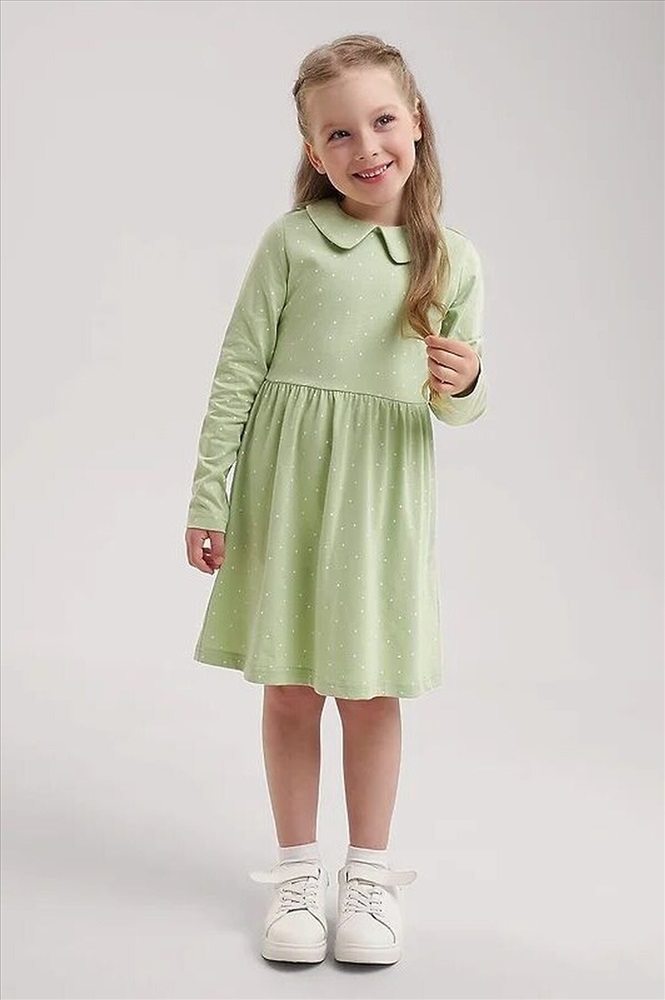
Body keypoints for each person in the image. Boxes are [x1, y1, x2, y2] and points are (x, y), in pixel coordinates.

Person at [184, 33, 487, 967]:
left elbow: (454, 407)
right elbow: (238, 369)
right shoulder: (293, 243)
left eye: (382, 120)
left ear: (416, 121)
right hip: (288, 493)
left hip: (379, 501)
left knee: (368, 689)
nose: (366, 147)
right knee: (289, 688)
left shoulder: (451, 261)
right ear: (313, 151)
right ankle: (295, 874)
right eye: (339, 133)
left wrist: (466, 380)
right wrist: (209, 494)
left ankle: (368, 878)